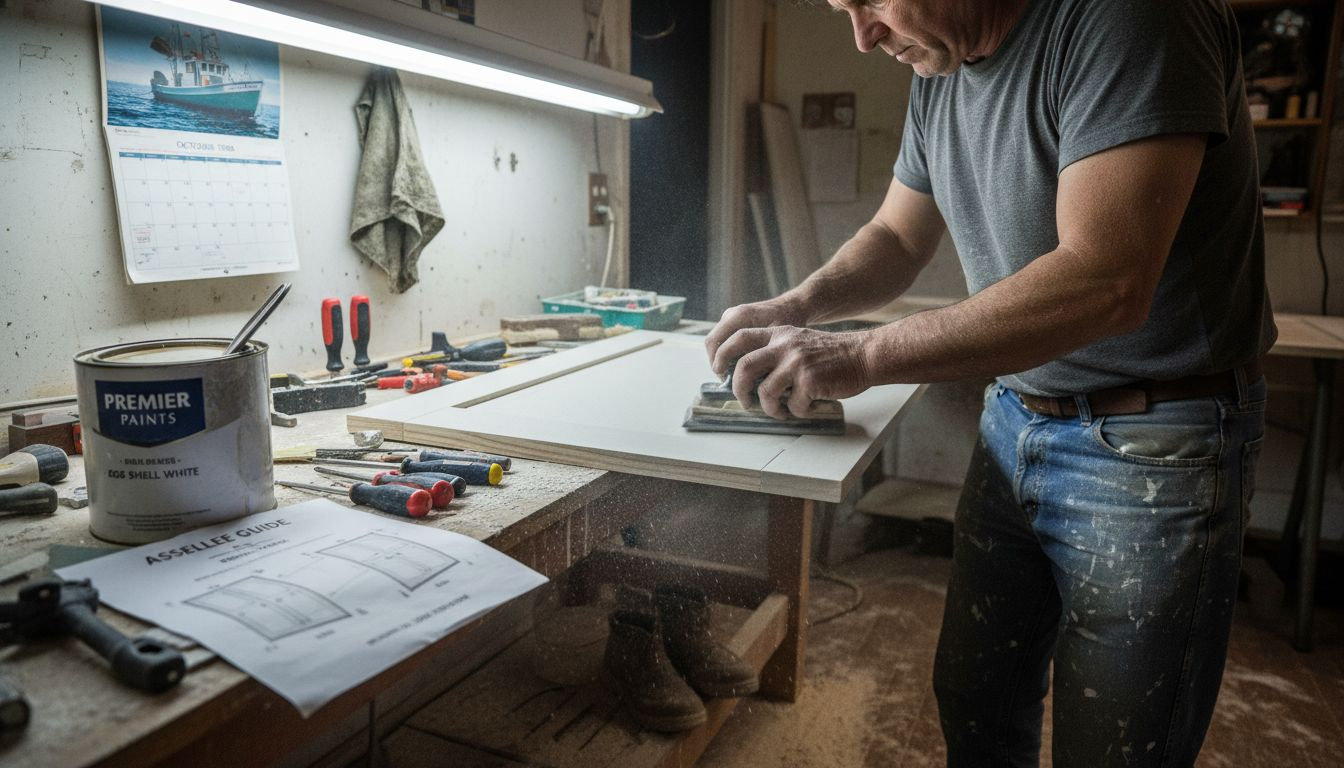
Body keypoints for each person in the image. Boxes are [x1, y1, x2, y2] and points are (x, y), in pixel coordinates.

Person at [704, 0, 1274, 765]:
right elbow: (896, 235)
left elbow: (1106, 278)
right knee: (977, 699)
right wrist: (796, 305)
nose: (864, 36)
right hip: (1015, 416)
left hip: (1154, 440)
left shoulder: (1130, 18)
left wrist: (860, 356)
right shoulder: (938, 59)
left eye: (872, 0)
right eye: (844, 9)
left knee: (1116, 747)